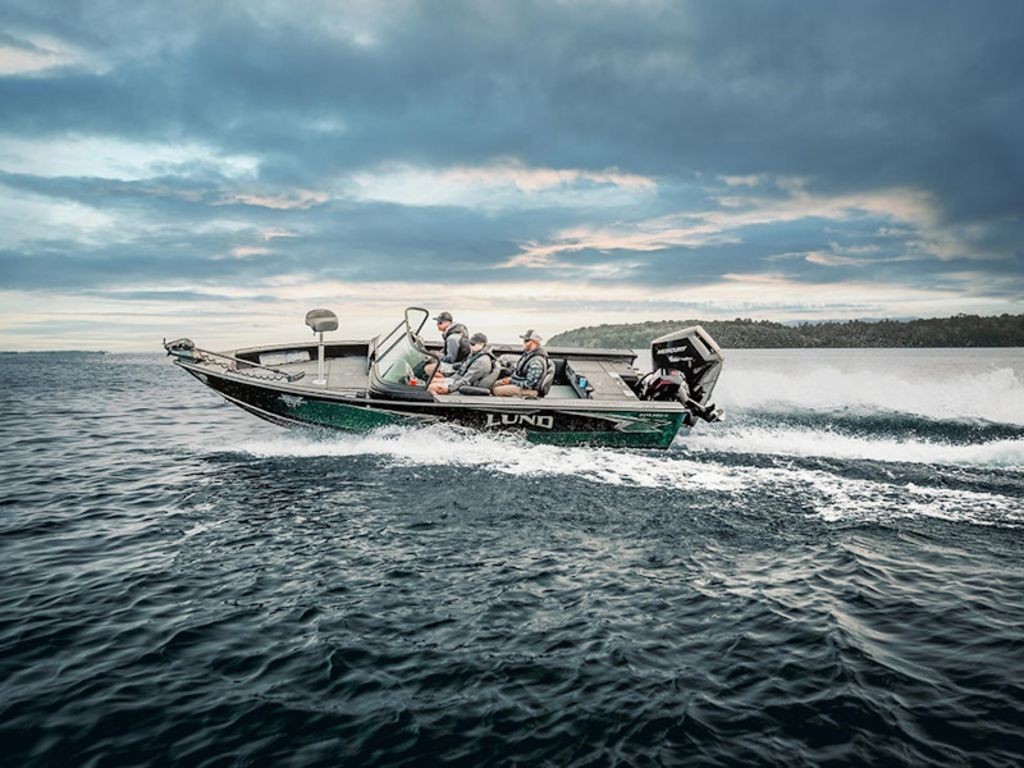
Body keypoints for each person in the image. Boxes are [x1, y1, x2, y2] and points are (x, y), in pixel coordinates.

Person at [428, 332, 495, 394]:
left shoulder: (481, 361)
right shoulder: (474, 354)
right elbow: (461, 373)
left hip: (466, 387)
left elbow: (467, 381)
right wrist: (448, 379)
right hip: (458, 381)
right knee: (431, 380)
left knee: (431, 387)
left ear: (482, 345)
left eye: (473, 344)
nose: (470, 346)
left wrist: (449, 388)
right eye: (469, 343)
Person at [493, 329, 547, 398]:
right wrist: (509, 379)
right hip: (521, 384)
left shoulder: (536, 361)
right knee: (493, 384)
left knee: (496, 390)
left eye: (526, 341)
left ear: (534, 342)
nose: (523, 343)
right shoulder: (528, 355)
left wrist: (511, 381)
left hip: (530, 390)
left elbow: (529, 384)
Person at [424, 310, 470, 380]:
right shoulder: (459, 331)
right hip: (461, 363)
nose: (437, 324)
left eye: (440, 322)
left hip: (457, 366)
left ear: (449, 323)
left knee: (428, 368)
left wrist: (438, 355)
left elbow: (451, 359)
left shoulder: (452, 338)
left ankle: (445, 382)